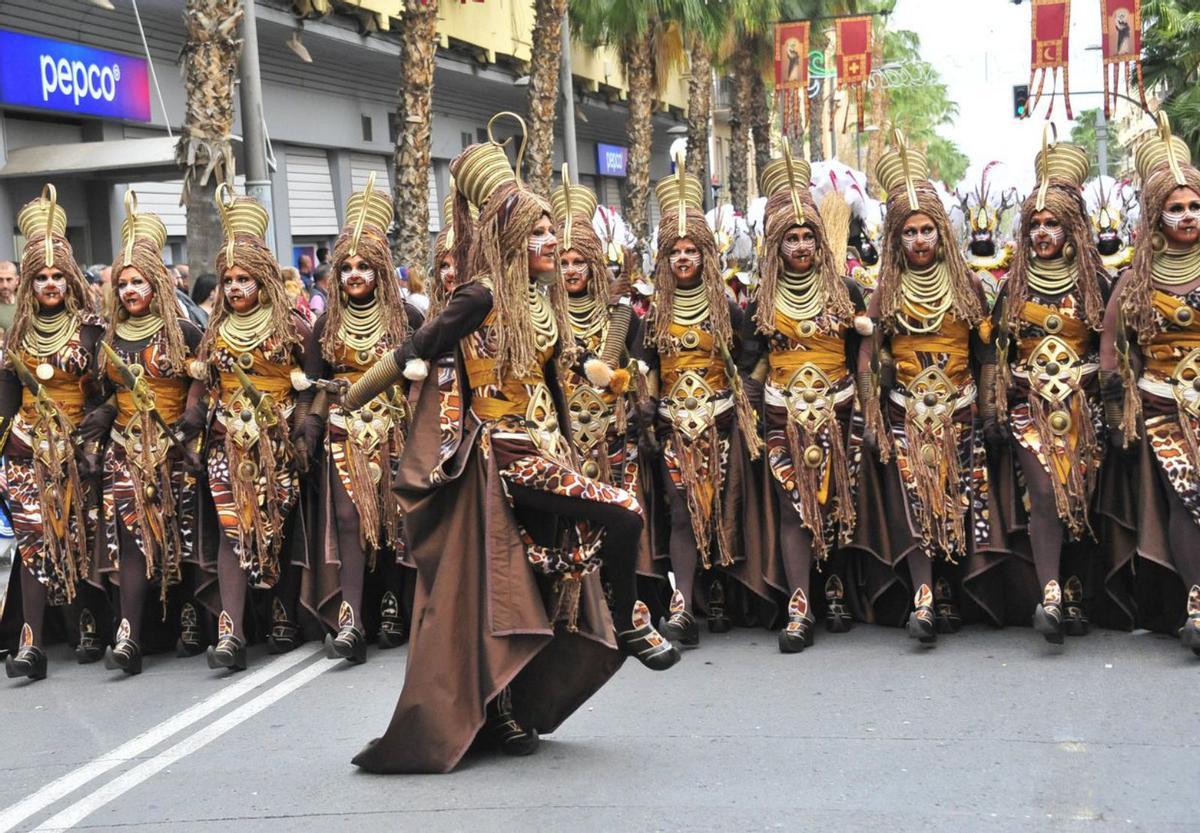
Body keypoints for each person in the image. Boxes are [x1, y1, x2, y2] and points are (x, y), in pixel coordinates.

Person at [344, 122, 677, 774]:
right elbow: (419, 348)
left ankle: (509, 708)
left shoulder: (539, 297)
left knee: (542, 583)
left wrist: (620, 371)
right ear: (508, 237)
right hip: (503, 455)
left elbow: (572, 365)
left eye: (553, 230)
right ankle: (630, 619)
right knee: (624, 511)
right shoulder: (482, 294)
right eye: (538, 232)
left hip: (547, 449)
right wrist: (353, 394)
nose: (551, 242)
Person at [855, 135, 1003, 645]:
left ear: (941, 233)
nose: (919, 240)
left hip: (960, 415)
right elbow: (869, 358)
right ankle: (921, 596)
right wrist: (873, 417)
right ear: (896, 239)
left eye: (927, 230)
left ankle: (948, 591)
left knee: (955, 504)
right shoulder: (884, 293)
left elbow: (987, 353)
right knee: (914, 502)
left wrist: (989, 410)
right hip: (905, 414)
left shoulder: (970, 287)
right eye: (910, 232)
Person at [739, 154, 870, 652]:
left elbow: (864, 358)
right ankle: (800, 606)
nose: (799, 246)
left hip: (840, 413)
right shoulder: (762, 300)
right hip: (781, 414)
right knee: (794, 507)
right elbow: (755, 362)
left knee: (835, 504)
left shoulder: (847, 292)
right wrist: (750, 414)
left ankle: (834, 589)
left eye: (807, 237)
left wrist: (869, 410)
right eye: (790, 238)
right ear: (777, 244)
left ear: (821, 240)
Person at [641, 159, 771, 648]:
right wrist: (647, 413)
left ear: (706, 255)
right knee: (680, 512)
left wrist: (748, 405)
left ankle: (717, 592)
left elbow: (753, 356)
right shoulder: (654, 313)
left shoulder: (729, 308)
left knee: (720, 508)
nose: (682, 258)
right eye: (674, 251)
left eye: (691, 249)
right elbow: (645, 368)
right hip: (675, 426)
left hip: (720, 424)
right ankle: (683, 607)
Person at [985, 138, 1109, 644]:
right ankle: (1050, 594)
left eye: (1052, 224)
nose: (1042, 232)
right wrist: (997, 404)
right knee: (1043, 493)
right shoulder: (1011, 286)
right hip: (1028, 408)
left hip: (1083, 409)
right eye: (1034, 224)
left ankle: (1076, 590)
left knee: (1077, 498)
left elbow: (1113, 348)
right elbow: (996, 352)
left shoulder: (1098, 283)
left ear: (1071, 229)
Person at [296, 173, 422, 664]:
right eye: (345, 267)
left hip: (395, 433)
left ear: (381, 271)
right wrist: (306, 427)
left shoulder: (409, 318)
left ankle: (391, 605)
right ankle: (350, 619)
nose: (353, 275)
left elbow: (426, 382)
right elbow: (312, 387)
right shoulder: (325, 324)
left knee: (393, 523)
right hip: (344, 434)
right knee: (348, 521)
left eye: (364, 266)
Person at [91, 191, 207, 674]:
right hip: (124, 451)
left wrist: (193, 417)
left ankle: (188, 620)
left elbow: (204, 384)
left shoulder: (186, 334)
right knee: (131, 536)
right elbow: (101, 393)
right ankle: (130, 635)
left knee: (179, 537)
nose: (129, 291)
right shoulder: (108, 339)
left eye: (138, 281)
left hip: (175, 451)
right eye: (123, 284)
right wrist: (99, 418)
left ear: (156, 282)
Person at [197, 185, 310, 672]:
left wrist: (304, 429)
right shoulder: (214, 332)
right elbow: (204, 386)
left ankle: (283, 614)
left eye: (245, 278)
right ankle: (232, 633)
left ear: (264, 280)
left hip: (279, 447)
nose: (235, 287)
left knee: (275, 530)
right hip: (228, 447)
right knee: (230, 530)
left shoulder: (295, 330)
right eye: (228, 280)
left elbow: (313, 387)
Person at [1101, 115, 1200, 657]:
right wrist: (1119, 411)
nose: (1187, 215)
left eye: (1194, 206)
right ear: (1158, 217)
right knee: (1187, 501)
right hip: (1165, 407)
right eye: (1176, 208)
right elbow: (1112, 346)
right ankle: (1195, 601)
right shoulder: (1137, 278)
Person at [551, 170, 667, 619]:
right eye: (562, 262)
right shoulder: (542, 320)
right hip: (563, 440)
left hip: (615, 437)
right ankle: (578, 609)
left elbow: (637, 373)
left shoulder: (623, 317)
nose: (571, 270)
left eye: (580, 261)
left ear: (595, 265)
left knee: (623, 520)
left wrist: (643, 411)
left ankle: (628, 607)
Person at [2, 186, 106, 681]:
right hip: (26, 449)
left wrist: (97, 429)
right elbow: (4, 398)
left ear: (70, 281)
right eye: (40, 277)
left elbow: (108, 394)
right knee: (31, 541)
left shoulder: (91, 329)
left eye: (57, 277)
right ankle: (31, 643)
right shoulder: (17, 333)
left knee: (79, 537)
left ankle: (85, 624)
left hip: (78, 449)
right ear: (28, 283)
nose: (49, 284)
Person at [0, 260, 19, 338]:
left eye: (9, 279)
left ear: (17, 280)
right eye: (0, 280)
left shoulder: (27, 301)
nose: (5, 285)